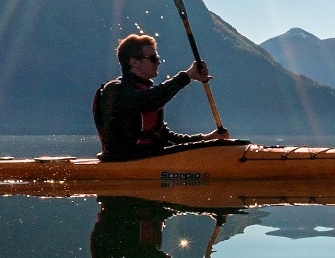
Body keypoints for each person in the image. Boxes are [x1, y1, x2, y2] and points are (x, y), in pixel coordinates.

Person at [93, 34, 233, 162]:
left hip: (149, 156)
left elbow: (166, 137)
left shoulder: (147, 91)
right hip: (123, 159)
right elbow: (151, 100)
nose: (158, 63)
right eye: (153, 59)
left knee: (215, 144)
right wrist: (188, 75)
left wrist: (207, 138)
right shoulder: (115, 90)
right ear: (134, 62)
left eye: (158, 58)